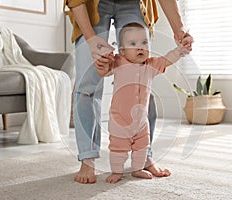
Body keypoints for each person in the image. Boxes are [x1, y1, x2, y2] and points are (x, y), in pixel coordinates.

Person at [63, 0, 193, 184]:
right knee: (87, 88)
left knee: (142, 80)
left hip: (135, 3)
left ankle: (145, 155)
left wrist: (179, 30)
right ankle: (87, 158)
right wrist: (92, 42)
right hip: (91, 3)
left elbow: (163, 60)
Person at [97, 23, 189, 184]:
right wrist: (103, 59)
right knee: (118, 148)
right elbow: (103, 71)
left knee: (142, 146)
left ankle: (138, 168)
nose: (140, 47)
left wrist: (180, 51)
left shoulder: (151, 65)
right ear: (122, 50)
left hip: (141, 122)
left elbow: (167, 59)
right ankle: (117, 171)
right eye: (133, 44)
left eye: (144, 43)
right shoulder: (118, 62)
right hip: (120, 120)